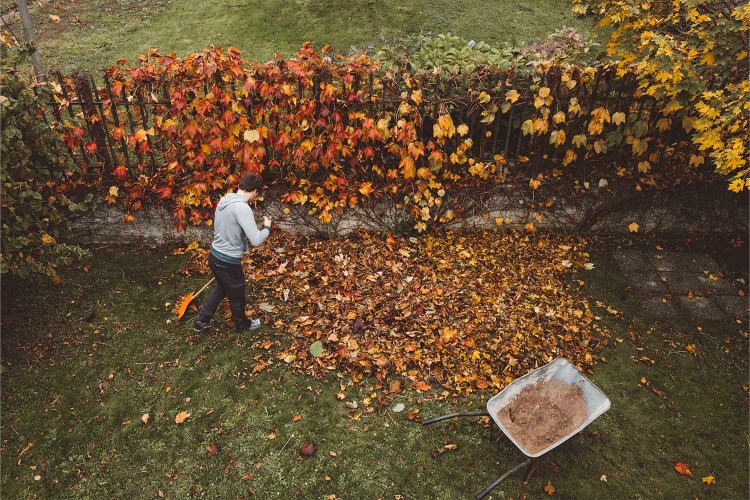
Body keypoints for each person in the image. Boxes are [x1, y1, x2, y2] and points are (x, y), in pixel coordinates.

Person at [193, 172, 272, 332]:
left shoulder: (225, 200)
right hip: (228, 261)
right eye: (257, 194)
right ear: (254, 191)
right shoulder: (242, 208)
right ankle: (242, 325)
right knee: (237, 296)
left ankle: (202, 320)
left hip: (214, 256)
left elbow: (231, 226)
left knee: (222, 287)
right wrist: (266, 227)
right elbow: (256, 240)